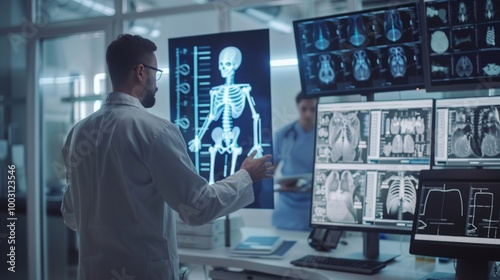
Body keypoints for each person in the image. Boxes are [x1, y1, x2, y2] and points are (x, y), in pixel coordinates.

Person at [60, 34, 274, 280]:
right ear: (141, 72)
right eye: (155, 72)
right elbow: (197, 208)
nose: (157, 82)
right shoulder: (155, 131)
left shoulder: (78, 133)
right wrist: (245, 176)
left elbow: (71, 214)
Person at [272, 91, 318, 231]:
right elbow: (270, 169)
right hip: (286, 205)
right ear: (298, 107)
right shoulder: (284, 134)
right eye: (304, 109)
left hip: (313, 203)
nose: (308, 114)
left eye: (312, 109)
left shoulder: (325, 134)